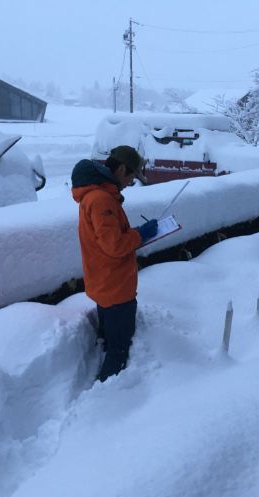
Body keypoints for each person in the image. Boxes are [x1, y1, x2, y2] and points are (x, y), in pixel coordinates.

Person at [71, 146, 158, 381]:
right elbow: (115, 245)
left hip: (104, 282)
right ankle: (109, 393)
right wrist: (142, 235)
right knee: (119, 347)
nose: (131, 182)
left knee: (109, 338)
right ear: (120, 169)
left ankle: (103, 370)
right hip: (116, 287)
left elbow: (108, 239)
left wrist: (136, 233)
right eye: (131, 176)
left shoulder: (96, 195)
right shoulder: (101, 200)